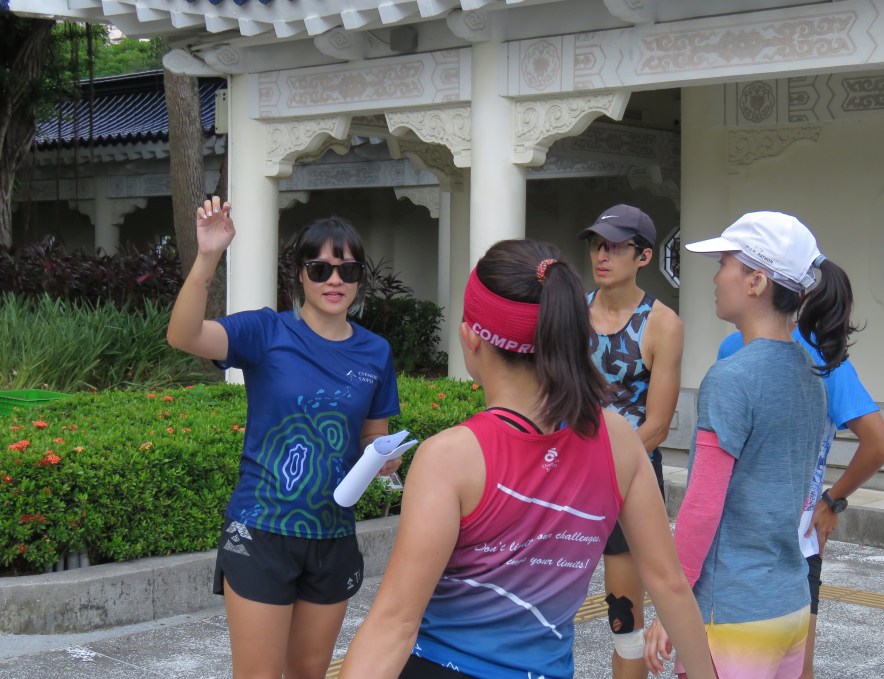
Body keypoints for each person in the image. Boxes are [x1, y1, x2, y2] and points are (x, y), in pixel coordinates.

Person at [340, 239, 716, 679]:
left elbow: (395, 624)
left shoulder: (450, 457)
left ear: (471, 338)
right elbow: (669, 584)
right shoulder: (619, 440)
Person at [166, 196, 402, 679]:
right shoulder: (266, 331)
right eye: (320, 269)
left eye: (347, 270)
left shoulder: (375, 352)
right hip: (262, 531)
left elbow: (372, 435)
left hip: (332, 534)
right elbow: (183, 335)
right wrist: (208, 255)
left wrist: (382, 458)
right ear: (300, 274)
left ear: (359, 279)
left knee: (309, 672)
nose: (334, 280)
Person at [645, 211, 857, 679]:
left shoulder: (732, 377)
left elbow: (702, 507)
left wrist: (672, 608)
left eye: (724, 263)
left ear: (756, 281)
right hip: (790, 602)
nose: (716, 277)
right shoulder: (810, 374)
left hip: (732, 612)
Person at [716, 327, 884, 679]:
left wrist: (831, 501)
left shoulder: (821, 355)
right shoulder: (732, 346)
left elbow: (880, 444)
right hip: (742, 542)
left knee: (792, 669)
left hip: (790, 542)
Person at [578, 204, 685, 679]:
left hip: (629, 477)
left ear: (644, 256)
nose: (602, 255)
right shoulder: (572, 314)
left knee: (624, 619)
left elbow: (657, 426)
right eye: (597, 244)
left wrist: (599, 467)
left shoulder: (662, 323)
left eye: (616, 247)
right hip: (569, 471)